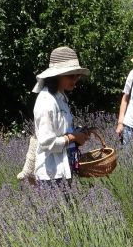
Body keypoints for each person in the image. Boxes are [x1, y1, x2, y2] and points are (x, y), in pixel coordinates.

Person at [31, 46, 90, 183]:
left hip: (64, 169)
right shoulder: (46, 101)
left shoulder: (60, 97)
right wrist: (74, 137)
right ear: (56, 76)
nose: (75, 79)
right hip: (51, 173)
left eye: (77, 75)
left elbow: (62, 131)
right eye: (70, 75)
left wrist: (79, 133)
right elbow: (47, 143)